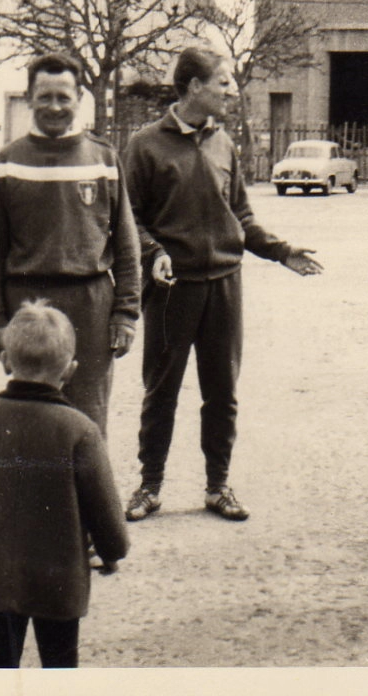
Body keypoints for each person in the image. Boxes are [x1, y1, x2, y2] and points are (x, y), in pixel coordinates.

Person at [121, 48, 323, 523]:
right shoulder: (145, 145)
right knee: (161, 391)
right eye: (224, 83)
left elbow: (242, 216)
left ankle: (218, 486)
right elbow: (128, 218)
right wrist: (156, 254)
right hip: (173, 289)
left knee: (222, 392)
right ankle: (149, 487)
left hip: (224, 287)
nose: (232, 91)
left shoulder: (224, 144)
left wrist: (281, 251)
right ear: (194, 87)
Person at [0, 300, 130, 669]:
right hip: (59, 583)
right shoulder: (80, 430)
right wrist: (111, 551)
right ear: (71, 370)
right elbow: (106, 513)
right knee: (59, 667)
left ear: (6, 361)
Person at [0, 52, 140, 435]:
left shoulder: (103, 158)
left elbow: (127, 244)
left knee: (88, 417)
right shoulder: (7, 161)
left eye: (63, 97)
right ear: (31, 97)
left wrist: (126, 313)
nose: (54, 106)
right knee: (29, 418)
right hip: (28, 304)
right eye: (45, 96)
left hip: (90, 303)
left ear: (79, 97)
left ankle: (86, 496)